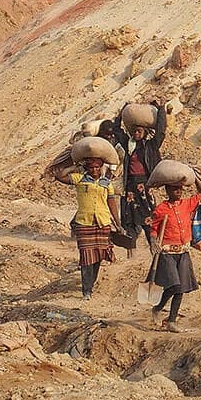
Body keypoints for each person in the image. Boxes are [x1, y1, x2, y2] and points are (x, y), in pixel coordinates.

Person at [147, 182, 201, 331]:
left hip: (183, 252)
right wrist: (153, 241)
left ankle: (171, 321)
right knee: (174, 285)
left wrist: (195, 179)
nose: (178, 192)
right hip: (167, 253)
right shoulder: (161, 209)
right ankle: (158, 307)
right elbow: (154, 229)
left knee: (181, 288)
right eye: (174, 189)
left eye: (180, 189)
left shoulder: (187, 204)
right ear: (167, 190)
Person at [69, 156, 122, 300]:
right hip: (84, 223)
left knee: (98, 255)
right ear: (87, 168)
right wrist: (73, 165)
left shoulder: (106, 183)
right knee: (86, 256)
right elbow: (60, 176)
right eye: (91, 167)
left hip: (102, 222)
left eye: (97, 167)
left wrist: (117, 223)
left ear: (101, 168)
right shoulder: (79, 179)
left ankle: (91, 284)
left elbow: (112, 204)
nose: (94, 170)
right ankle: (86, 290)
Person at [115, 121, 163, 254]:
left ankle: (154, 246)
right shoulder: (129, 145)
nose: (136, 133)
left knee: (149, 217)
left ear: (145, 132)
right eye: (135, 131)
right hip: (130, 186)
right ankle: (131, 248)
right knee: (129, 216)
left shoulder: (149, 146)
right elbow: (117, 130)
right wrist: (120, 115)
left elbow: (161, 133)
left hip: (144, 186)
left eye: (139, 131)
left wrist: (160, 110)